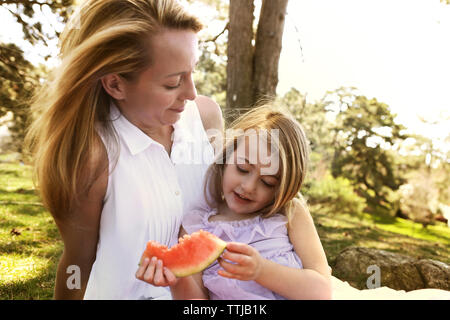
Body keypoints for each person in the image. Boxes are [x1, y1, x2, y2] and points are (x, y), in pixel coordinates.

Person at [24, 0, 223, 300]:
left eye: (192, 72)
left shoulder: (207, 117)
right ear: (115, 84)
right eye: (172, 83)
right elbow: (77, 263)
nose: (191, 93)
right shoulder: (91, 157)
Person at [136, 105, 334, 299]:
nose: (248, 186)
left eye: (267, 182)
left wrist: (261, 270)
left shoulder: (290, 214)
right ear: (227, 157)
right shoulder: (196, 226)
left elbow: (322, 290)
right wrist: (176, 277)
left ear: (282, 189)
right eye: (242, 168)